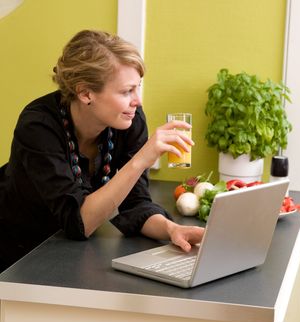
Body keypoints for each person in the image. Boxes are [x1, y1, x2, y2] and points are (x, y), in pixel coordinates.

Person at [0, 29, 204, 272]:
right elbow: (79, 223)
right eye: (126, 91)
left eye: (137, 88)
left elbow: (136, 205)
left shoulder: (129, 119)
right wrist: (140, 160)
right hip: (14, 252)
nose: (137, 100)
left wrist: (172, 229)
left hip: (64, 252)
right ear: (86, 93)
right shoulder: (38, 125)